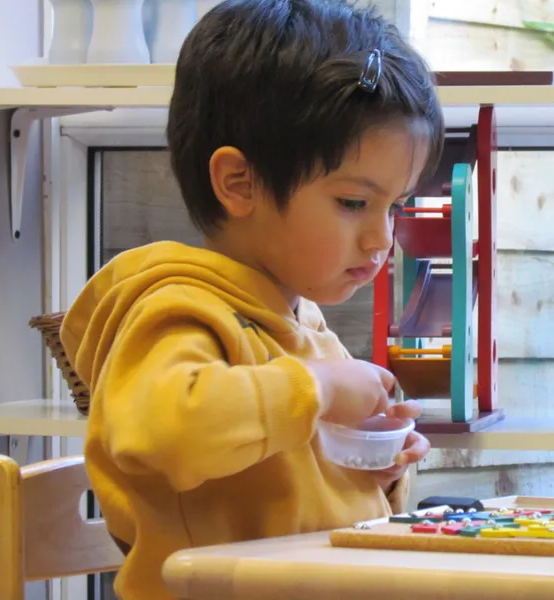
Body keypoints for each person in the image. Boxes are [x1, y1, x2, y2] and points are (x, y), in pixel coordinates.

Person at [59, 0, 445, 598]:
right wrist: (316, 390)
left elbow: (285, 479)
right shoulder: (177, 310)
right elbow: (164, 434)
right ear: (240, 184)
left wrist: (375, 463)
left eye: (393, 207)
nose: (381, 239)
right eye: (353, 203)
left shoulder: (304, 322)